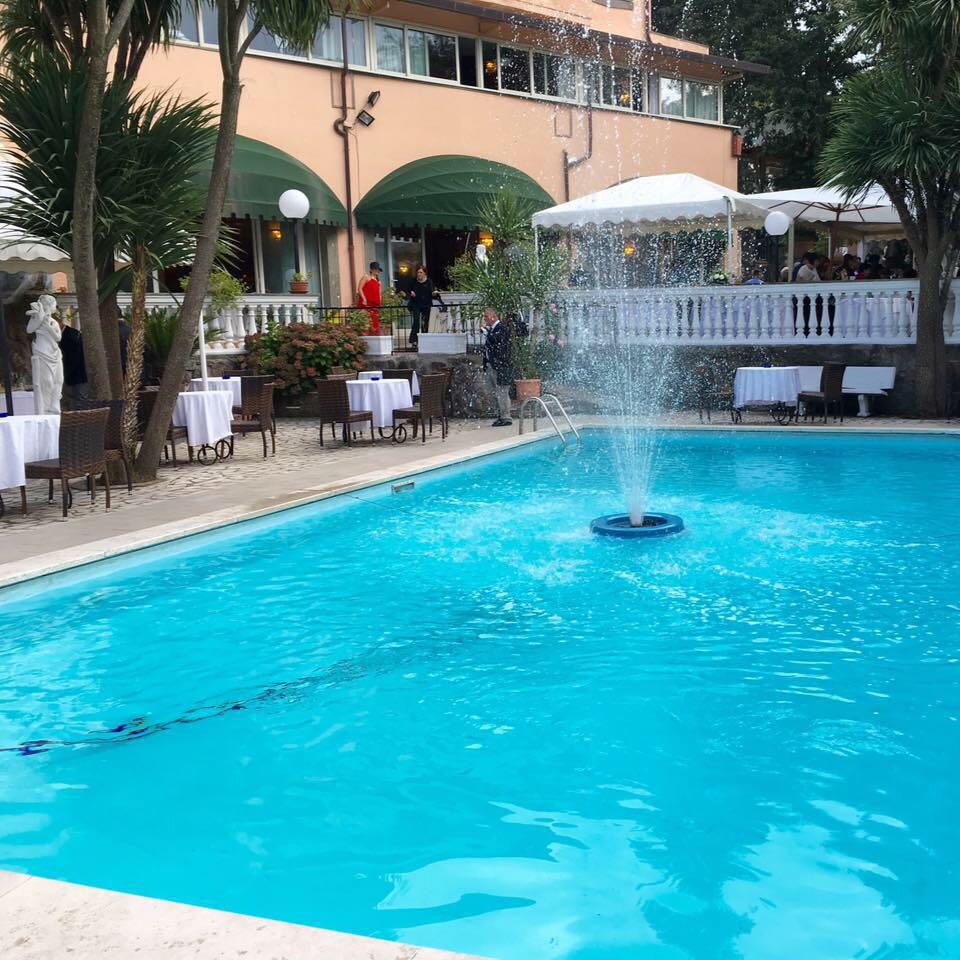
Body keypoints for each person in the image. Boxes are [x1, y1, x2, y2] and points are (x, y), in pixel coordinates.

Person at [481, 307, 512, 426]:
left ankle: (506, 417)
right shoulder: (492, 330)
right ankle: (499, 415)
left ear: (493, 317)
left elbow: (497, 340)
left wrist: (486, 332)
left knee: (502, 392)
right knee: (491, 392)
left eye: (486, 316)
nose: (485, 319)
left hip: (500, 367)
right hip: (491, 365)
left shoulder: (501, 328)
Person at [405, 265, 439, 347]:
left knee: (425, 322)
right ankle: (414, 340)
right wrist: (410, 292)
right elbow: (407, 290)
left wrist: (434, 293)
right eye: (418, 272)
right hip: (415, 304)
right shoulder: (413, 281)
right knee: (416, 321)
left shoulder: (429, 282)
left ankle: (424, 340)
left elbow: (433, 292)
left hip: (426, 304)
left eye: (421, 272)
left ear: (424, 273)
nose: (419, 274)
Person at [59, 315, 88, 401]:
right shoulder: (71, 334)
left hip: (77, 374)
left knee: (80, 398)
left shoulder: (70, 337)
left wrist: (66, 373)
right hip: (76, 374)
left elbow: (73, 358)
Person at [356, 261, 383, 335]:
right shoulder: (366, 277)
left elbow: (379, 293)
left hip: (375, 305)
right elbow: (360, 288)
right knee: (365, 324)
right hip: (367, 304)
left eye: (378, 270)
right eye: (375, 269)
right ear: (371, 270)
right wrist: (364, 299)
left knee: (375, 325)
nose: (377, 271)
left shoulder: (378, 281)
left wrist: (380, 303)